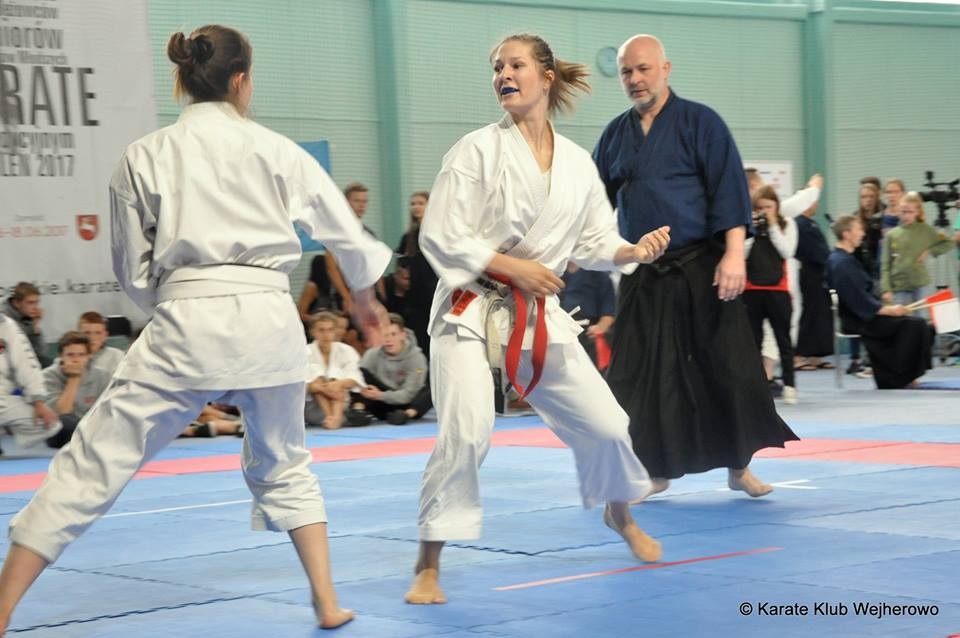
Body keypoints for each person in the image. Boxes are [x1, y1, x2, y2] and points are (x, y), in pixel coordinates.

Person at [0, 25, 393, 633]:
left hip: (187, 318)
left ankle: (1, 608)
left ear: (182, 80)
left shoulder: (144, 154)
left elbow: (131, 269)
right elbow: (347, 236)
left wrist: (174, 298)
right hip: (268, 320)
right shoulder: (279, 150)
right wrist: (365, 304)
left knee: (94, 460)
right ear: (241, 80)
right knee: (286, 462)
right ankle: (326, 600)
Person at [405, 33, 671, 606]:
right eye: (497, 67)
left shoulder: (576, 163)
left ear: (546, 77)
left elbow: (596, 241)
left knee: (608, 425)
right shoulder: (475, 150)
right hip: (470, 307)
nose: (503, 74)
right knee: (466, 433)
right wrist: (513, 267)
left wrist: (633, 251)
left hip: (538, 315)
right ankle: (428, 562)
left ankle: (620, 513)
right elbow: (440, 234)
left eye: (516, 65)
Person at [592, 34, 798, 499]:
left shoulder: (701, 122)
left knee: (728, 367)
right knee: (638, 374)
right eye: (626, 72)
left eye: (643, 68)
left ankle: (739, 465)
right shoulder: (614, 135)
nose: (635, 79)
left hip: (703, 266)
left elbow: (728, 189)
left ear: (666, 69)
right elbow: (590, 199)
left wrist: (733, 254)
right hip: (645, 271)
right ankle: (655, 470)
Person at [827, 215, 933, 389]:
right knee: (916, 325)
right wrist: (889, 310)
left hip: (864, 313)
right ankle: (898, 377)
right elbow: (858, 300)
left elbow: (861, 296)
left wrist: (886, 307)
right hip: (859, 319)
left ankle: (902, 375)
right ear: (846, 234)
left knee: (919, 324)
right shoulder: (841, 263)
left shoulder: (844, 259)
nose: (863, 233)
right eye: (859, 229)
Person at [743, 187, 799, 404]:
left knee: (783, 340)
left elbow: (787, 251)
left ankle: (790, 385)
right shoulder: (748, 225)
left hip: (778, 291)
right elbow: (742, 254)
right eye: (760, 208)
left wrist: (773, 225)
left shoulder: (787, 224)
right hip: (752, 290)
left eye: (769, 207)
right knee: (752, 342)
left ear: (776, 206)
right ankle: (755, 388)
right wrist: (752, 230)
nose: (764, 211)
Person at [879, 191, 952, 314]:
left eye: (910, 212)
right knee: (901, 320)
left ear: (917, 212)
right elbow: (885, 264)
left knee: (920, 320)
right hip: (899, 286)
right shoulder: (891, 235)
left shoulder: (927, 230)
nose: (906, 215)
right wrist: (886, 289)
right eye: (903, 212)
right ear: (898, 211)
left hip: (921, 284)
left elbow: (949, 242)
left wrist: (930, 251)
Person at [355, 314, 431, 425]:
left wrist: (380, 395)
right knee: (360, 374)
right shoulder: (372, 354)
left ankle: (406, 415)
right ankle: (358, 411)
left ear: (403, 335)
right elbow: (358, 381)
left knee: (433, 387)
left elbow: (409, 394)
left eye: (393, 334)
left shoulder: (417, 357)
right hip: (381, 403)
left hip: (407, 404)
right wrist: (369, 391)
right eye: (385, 335)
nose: (388, 340)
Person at [0, 314, 62, 451]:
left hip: (2, 400)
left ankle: (5, 428)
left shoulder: (7, 326)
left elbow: (26, 364)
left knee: (51, 425)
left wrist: (38, 402)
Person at [41, 332, 110, 447]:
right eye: (70, 355)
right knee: (64, 422)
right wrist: (74, 378)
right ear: (61, 356)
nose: (75, 360)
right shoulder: (47, 376)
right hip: (60, 430)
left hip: (93, 426)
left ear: (89, 356)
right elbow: (62, 412)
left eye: (81, 355)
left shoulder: (102, 376)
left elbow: (108, 410)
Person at [396, 191, 440, 358]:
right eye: (413, 204)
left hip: (434, 292)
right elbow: (401, 263)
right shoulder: (408, 237)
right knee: (420, 338)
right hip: (416, 297)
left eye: (420, 203)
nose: (416, 207)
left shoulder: (437, 233)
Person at [304, 312, 364, 430]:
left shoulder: (346, 350)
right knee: (315, 374)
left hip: (341, 405)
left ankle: (335, 418)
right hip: (312, 408)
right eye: (321, 330)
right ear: (312, 332)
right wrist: (322, 388)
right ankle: (331, 418)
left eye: (330, 330)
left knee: (335, 374)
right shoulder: (305, 352)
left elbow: (355, 378)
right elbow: (303, 384)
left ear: (335, 331)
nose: (326, 335)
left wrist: (337, 384)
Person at [793, 202, 835, 369]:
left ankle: (815, 354)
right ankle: (798, 355)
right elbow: (812, 250)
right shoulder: (800, 223)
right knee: (810, 313)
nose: (816, 204)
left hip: (820, 272)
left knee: (821, 313)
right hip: (810, 272)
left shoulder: (811, 222)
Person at [558, 262, 616, 368]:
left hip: (588, 331)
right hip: (560, 328)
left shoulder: (599, 274)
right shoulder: (557, 272)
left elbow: (609, 311)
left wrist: (600, 327)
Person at [1, 283, 50, 367]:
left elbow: (40, 353)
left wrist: (35, 326)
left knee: (46, 363)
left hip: (20, 361)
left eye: (36, 303)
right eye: (30, 303)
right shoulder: (3, 317)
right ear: (16, 303)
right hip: (5, 362)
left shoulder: (27, 316)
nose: (35, 307)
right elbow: (13, 349)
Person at [77, 311, 125, 376]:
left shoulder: (117, 356)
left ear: (105, 335)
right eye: (87, 333)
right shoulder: (71, 356)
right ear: (78, 335)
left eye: (98, 333)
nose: (92, 338)